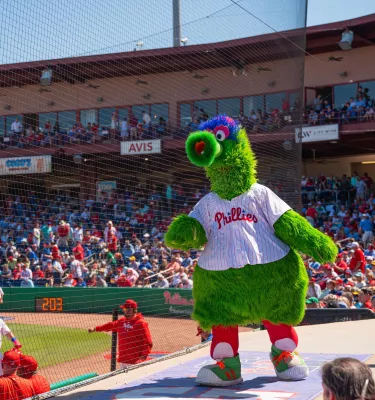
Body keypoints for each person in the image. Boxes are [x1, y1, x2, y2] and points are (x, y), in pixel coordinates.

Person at [88, 299, 153, 367]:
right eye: (125, 309)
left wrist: (143, 356)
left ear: (134, 310)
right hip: (123, 359)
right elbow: (110, 325)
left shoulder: (141, 323)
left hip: (135, 361)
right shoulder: (122, 321)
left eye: (128, 310)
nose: (125, 312)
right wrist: (96, 329)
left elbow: (148, 342)